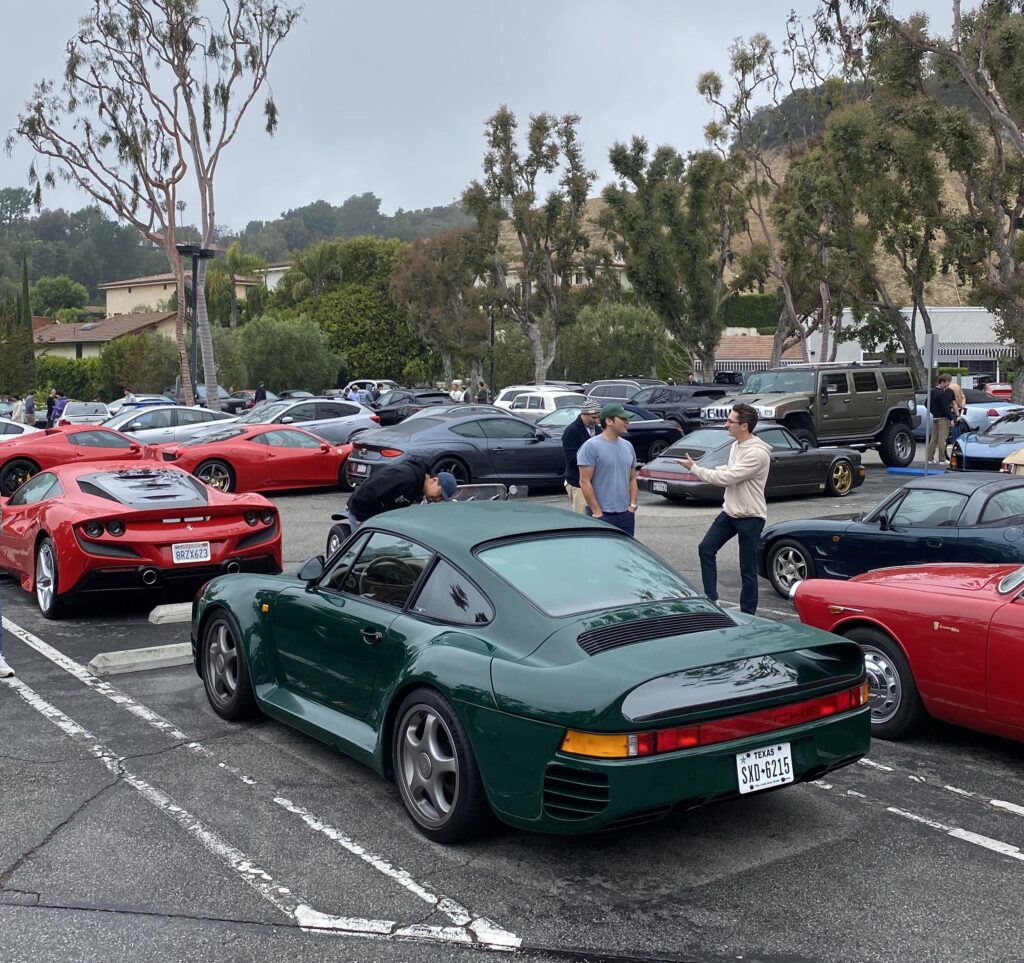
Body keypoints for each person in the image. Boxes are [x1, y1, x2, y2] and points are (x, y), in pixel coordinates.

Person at [676, 403, 771, 615]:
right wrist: (714, 469)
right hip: (730, 512)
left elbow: (728, 477)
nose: (726, 425)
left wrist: (695, 469)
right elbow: (730, 471)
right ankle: (712, 599)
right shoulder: (736, 445)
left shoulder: (757, 453)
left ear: (744, 426)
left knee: (747, 570)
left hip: (751, 516)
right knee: (706, 548)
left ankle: (748, 615)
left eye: (730, 421)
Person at [346, 455, 458, 530]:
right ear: (434, 480)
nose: (437, 499)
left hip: (376, 521)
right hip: (360, 513)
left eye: (441, 499)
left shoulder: (417, 488)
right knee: (357, 554)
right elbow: (371, 488)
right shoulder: (406, 476)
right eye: (440, 495)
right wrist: (364, 518)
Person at [577, 403, 639, 536]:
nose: (626, 422)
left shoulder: (628, 446)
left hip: (625, 515)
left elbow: (632, 478)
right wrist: (597, 512)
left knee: (626, 553)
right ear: (609, 421)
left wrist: (632, 506)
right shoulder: (591, 446)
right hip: (602, 515)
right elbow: (584, 481)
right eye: (622, 419)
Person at [562, 399, 603, 513]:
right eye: (593, 417)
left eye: (598, 417)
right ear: (583, 414)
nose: (596, 420)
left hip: (594, 482)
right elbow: (571, 459)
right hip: (577, 483)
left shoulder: (597, 429)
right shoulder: (571, 431)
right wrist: (593, 462)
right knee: (583, 516)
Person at [928, 373, 956, 464]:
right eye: (948, 382)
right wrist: (951, 418)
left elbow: (926, 404)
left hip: (935, 417)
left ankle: (930, 458)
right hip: (943, 418)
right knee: (942, 440)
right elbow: (945, 408)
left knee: (933, 439)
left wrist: (933, 412)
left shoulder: (933, 392)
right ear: (943, 382)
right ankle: (942, 459)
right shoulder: (943, 394)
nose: (949, 384)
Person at [948, 377, 967, 446]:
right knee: (958, 424)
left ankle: (954, 441)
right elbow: (963, 396)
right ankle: (959, 440)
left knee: (953, 425)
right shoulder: (957, 386)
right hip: (960, 407)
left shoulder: (949, 388)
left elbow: (953, 400)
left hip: (953, 408)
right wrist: (962, 405)